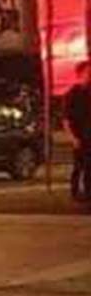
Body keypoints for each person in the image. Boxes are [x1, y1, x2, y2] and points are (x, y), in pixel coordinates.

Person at [63, 61, 91, 201]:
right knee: (79, 166)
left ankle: (88, 192)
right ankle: (75, 191)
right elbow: (67, 120)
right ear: (80, 74)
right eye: (88, 72)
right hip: (79, 136)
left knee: (89, 167)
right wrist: (73, 138)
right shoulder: (72, 94)